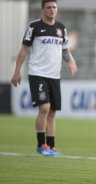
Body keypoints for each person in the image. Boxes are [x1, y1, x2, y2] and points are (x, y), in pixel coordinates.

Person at [11, 0, 78, 156]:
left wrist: (72, 62)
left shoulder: (61, 28)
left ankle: (51, 147)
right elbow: (23, 51)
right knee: (44, 108)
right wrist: (16, 72)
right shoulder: (34, 27)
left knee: (52, 112)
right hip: (37, 74)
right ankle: (41, 145)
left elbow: (65, 51)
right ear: (43, 9)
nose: (52, 10)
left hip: (54, 76)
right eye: (48, 7)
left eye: (54, 7)